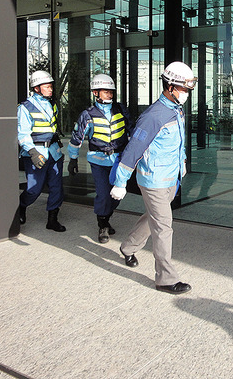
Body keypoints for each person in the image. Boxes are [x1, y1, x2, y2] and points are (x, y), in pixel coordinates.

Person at [110, 61, 196, 295]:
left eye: (189, 89)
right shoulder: (153, 115)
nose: (186, 93)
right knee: (163, 227)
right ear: (169, 86)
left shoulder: (175, 110)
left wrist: (183, 162)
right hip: (154, 180)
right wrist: (120, 182)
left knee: (153, 219)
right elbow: (133, 149)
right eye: (184, 89)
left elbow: (176, 142)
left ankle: (128, 248)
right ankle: (166, 279)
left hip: (170, 178)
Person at [67, 74, 132, 243]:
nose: (109, 95)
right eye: (105, 92)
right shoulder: (87, 115)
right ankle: (102, 225)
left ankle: (106, 216)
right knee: (103, 194)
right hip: (99, 161)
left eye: (111, 92)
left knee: (117, 195)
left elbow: (132, 131)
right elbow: (76, 138)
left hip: (119, 160)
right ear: (95, 93)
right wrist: (73, 159)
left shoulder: (121, 109)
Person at [17, 70, 66, 232]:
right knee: (34, 189)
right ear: (36, 88)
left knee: (56, 187)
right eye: (47, 86)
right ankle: (21, 205)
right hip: (36, 154)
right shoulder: (25, 108)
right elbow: (22, 134)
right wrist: (32, 152)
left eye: (51, 86)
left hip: (53, 152)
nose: (50, 89)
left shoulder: (52, 105)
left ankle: (52, 219)